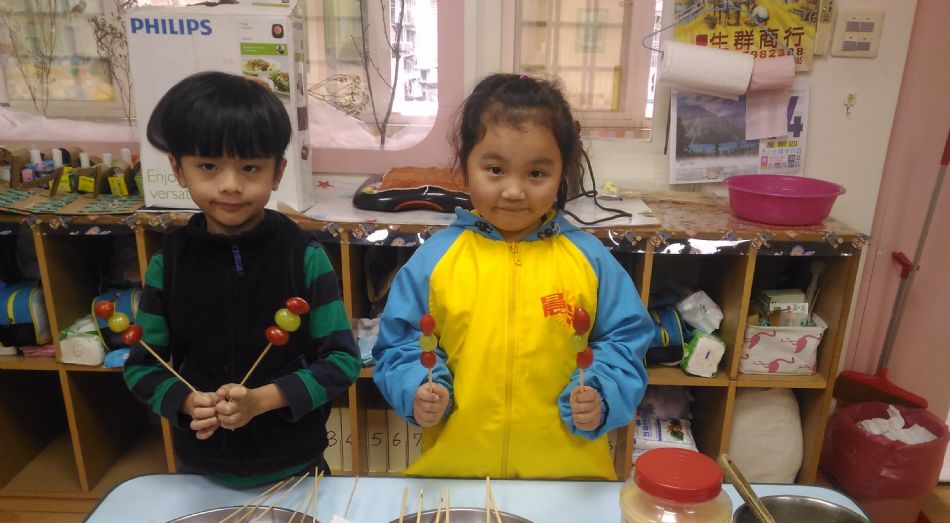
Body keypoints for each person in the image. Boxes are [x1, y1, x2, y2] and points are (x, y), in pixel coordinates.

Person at [372, 73, 652, 479]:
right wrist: (416, 386)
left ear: (562, 173)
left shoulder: (590, 260)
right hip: (457, 475)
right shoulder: (434, 260)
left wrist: (603, 393)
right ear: (465, 168)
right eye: (495, 169)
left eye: (536, 174)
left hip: (570, 480)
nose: (515, 191)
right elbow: (399, 344)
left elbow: (626, 342)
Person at [124, 71, 361, 487]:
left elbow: (342, 362)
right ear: (178, 169)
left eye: (250, 167)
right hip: (202, 470)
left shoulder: (304, 257)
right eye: (208, 166)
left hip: (297, 466)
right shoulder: (169, 264)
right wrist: (186, 402)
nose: (231, 185)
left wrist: (263, 400)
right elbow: (142, 368)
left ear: (277, 172)